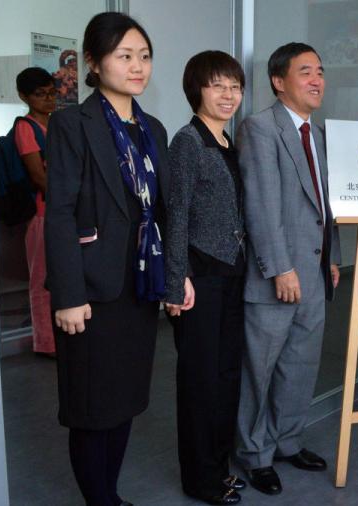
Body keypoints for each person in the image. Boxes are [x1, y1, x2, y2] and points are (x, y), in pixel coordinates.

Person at [45, 12, 169, 506]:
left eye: (143, 56)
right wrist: (69, 296)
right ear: (94, 63)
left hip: (138, 286)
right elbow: (59, 214)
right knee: (92, 407)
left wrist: (173, 278)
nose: (137, 66)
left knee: (123, 403)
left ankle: (110, 495)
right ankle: (99, 499)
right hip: (92, 290)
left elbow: (160, 209)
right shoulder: (71, 123)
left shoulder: (152, 128)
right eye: (124, 56)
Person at [235, 42, 341, 496]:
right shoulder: (260, 128)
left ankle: (287, 440)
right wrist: (279, 268)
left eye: (320, 71)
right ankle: (254, 454)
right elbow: (260, 204)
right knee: (260, 369)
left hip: (315, 272)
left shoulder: (317, 134)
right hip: (276, 275)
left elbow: (324, 207)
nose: (317, 80)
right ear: (279, 81)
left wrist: (331, 257)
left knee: (300, 364)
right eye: (305, 72)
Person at [164, 50, 247, 505]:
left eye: (234, 86)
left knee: (226, 376)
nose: (228, 95)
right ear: (197, 88)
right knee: (199, 382)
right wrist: (177, 281)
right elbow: (175, 215)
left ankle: (219, 469)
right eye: (218, 85)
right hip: (200, 277)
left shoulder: (228, 142)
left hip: (232, 273)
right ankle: (199, 479)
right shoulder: (188, 142)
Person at [15, 66, 56, 356]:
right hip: (42, 213)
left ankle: (59, 338)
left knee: (58, 278)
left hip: (59, 213)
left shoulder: (55, 124)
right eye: (40, 95)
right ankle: (45, 343)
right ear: (24, 96)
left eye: (52, 93)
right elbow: (37, 176)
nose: (48, 100)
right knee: (41, 280)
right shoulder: (25, 127)